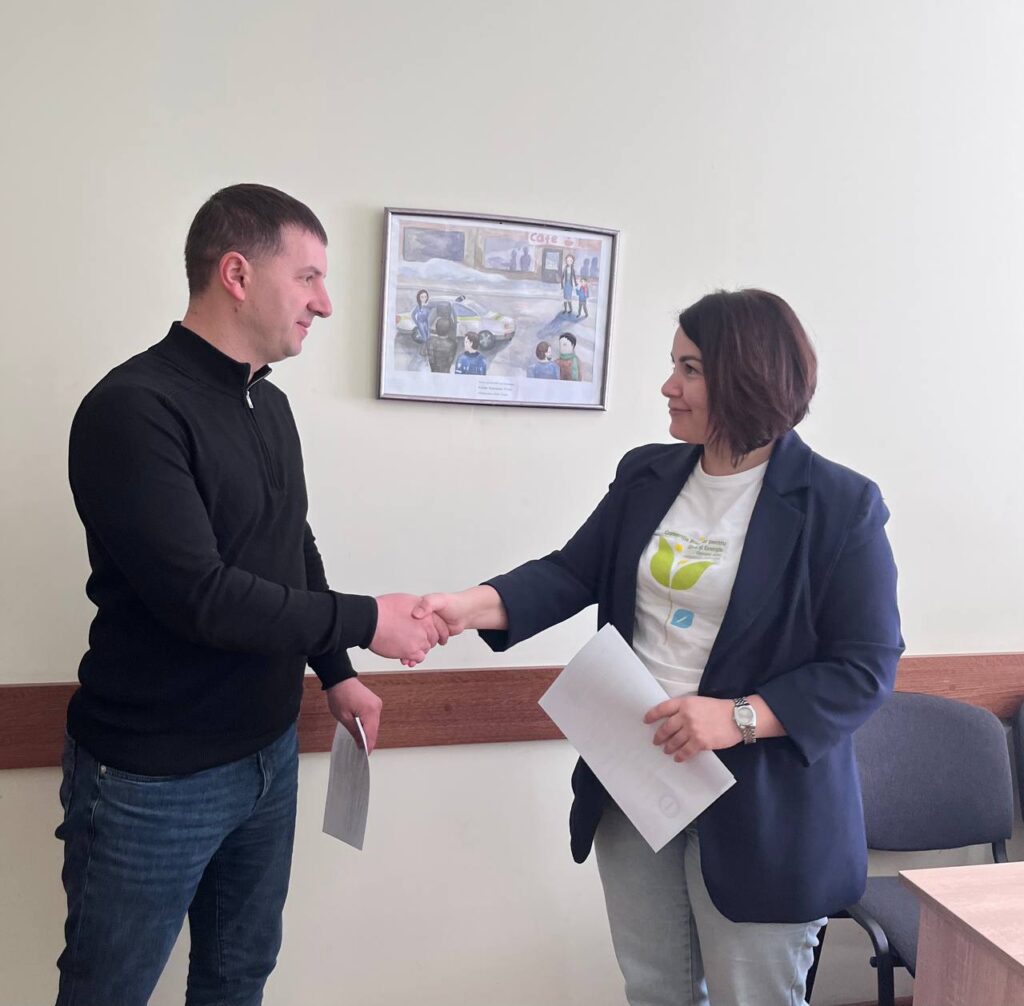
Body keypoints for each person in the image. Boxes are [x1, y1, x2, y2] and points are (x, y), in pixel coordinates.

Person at [414, 289, 903, 1006]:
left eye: (690, 369)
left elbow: (865, 666)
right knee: (655, 990)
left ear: (748, 376)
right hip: (637, 776)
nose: (668, 386)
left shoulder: (839, 504)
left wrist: (736, 717)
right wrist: (466, 607)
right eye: (674, 365)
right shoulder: (648, 473)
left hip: (765, 805)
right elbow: (570, 572)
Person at [57, 183, 446, 1006]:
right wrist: (369, 619)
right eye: (308, 277)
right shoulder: (133, 410)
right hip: (152, 777)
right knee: (107, 992)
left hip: (267, 756)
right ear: (236, 274)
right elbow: (202, 597)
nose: (325, 303)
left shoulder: (268, 405)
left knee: (237, 979)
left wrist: (336, 671)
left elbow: (289, 546)